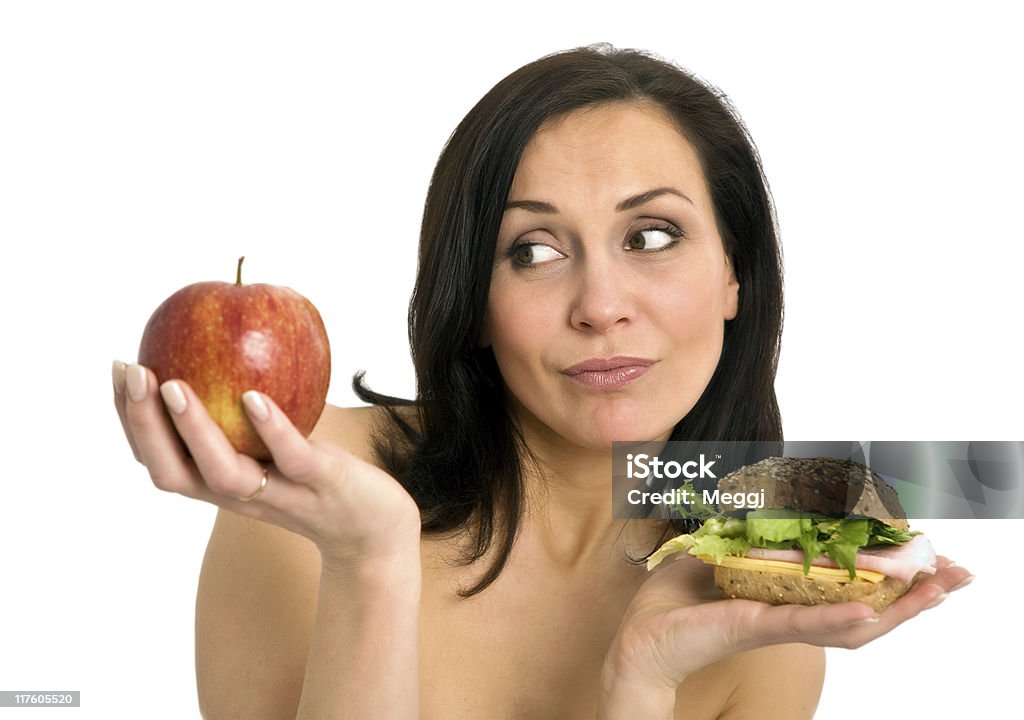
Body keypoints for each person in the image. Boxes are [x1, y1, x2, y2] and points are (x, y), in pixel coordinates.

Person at [112, 45, 971, 719]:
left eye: (653, 236)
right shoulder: (307, 487)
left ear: (735, 274)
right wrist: (366, 562)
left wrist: (642, 680)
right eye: (534, 252)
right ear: (475, 303)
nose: (601, 306)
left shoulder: (763, 636)